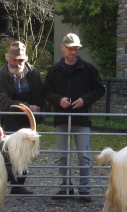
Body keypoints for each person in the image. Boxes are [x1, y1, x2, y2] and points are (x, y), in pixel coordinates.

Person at [45, 33, 105, 202]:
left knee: (83, 154)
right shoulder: (54, 71)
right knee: (62, 155)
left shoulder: (88, 69)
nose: (73, 52)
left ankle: (84, 189)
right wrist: (59, 100)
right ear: (63, 48)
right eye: (71, 49)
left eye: (76, 49)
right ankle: (66, 187)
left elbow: (99, 89)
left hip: (82, 118)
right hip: (61, 119)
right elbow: (46, 92)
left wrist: (84, 100)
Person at [0, 41, 46, 195]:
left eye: (20, 60)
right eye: (14, 59)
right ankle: (1, 183)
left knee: (25, 150)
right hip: (8, 118)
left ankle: (18, 185)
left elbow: (41, 94)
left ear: (25, 60)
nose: (17, 63)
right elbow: (2, 102)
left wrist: (39, 112)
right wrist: (27, 107)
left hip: (28, 120)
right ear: (8, 58)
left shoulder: (33, 73)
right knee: (7, 151)